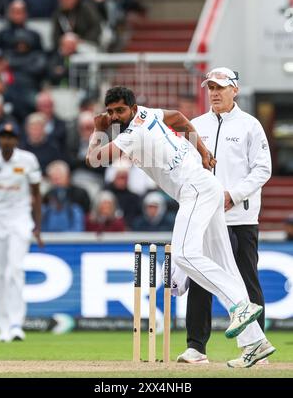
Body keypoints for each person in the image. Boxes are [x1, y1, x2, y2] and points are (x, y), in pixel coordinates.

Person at [86, 86, 275, 368]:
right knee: (225, 264)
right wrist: (203, 150)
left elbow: (95, 159)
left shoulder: (133, 133)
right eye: (110, 112)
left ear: (133, 109)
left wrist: (97, 130)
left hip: (195, 190)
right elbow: (176, 117)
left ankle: (240, 304)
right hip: (206, 187)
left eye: (120, 111)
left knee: (185, 255)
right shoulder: (149, 114)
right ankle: (255, 343)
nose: (114, 116)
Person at [177, 67, 272, 365]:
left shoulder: (250, 125)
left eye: (220, 87)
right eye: (211, 88)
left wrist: (234, 195)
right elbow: (186, 169)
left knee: (246, 281)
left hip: (240, 216)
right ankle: (196, 348)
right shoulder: (196, 124)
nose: (214, 93)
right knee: (201, 278)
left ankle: (255, 348)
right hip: (205, 215)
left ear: (234, 90)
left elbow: (262, 169)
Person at [0, 121, 43, 342]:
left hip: (20, 218)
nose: (7, 140)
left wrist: (38, 227)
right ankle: (2, 326)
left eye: (10, 137)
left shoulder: (27, 160)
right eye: (3, 136)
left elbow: (37, 194)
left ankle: (15, 324)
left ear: (16, 140)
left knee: (16, 269)